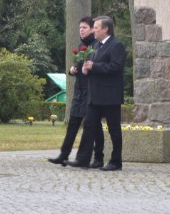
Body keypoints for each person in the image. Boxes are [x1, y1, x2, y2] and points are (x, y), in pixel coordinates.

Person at [66, 16, 127, 171]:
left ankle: (116, 161)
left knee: (113, 129)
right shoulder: (97, 46)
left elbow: (116, 67)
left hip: (110, 96)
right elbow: (93, 66)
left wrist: (95, 67)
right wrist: (86, 69)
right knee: (89, 125)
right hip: (94, 96)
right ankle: (90, 159)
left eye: (96, 28)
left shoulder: (116, 45)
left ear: (106, 29)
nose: (93, 30)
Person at [48, 17, 105, 165]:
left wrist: (88, 69)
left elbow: (97, 68)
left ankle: (98, 157)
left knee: (94, 126)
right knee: (73, 124)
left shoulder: (97, 46)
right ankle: (64, 155)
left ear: (92, 29)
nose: (81, 30)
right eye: (80, 28)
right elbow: (78, 66)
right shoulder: (81, 46)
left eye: (84, 27)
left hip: (91, 92)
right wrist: (72, 70)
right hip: (79, 91)